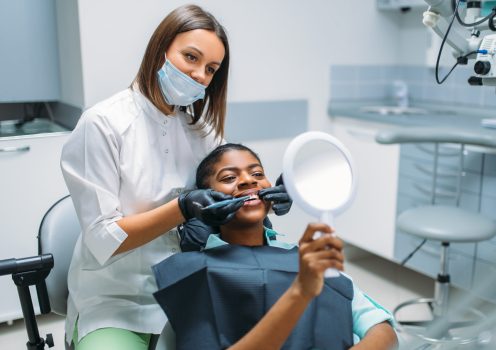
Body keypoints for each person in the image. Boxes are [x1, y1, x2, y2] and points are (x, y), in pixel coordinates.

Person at [60, 5, 290, 349]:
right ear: (161, 49)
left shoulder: (204, 132)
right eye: (191, 57)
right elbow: (103, 238)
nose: (200, 75)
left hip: (192, 289)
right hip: (115, 301)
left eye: (211, 69)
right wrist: (182, 208)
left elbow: (229, 197)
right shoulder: (103, 124)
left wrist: (268, 198)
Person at [153, 143, 399, 349]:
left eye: (258, 174)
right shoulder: (196, 273)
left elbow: (382, 329)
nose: (248, 181)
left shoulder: (305, 256)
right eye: (229, 177)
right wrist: (300, 291)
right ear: (205, 199)